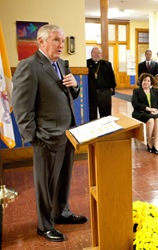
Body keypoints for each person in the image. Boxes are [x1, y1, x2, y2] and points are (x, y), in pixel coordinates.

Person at [12, 24, 87, 243]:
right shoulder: (29, 66)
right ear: (41, 42)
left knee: (64, 178)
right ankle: (44, 225)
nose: (61, 45)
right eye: (56, 40)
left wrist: (75, 86)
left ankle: (61, 212)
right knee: (45, 184)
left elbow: (67, 96)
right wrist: (34, 137)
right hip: (45, 138)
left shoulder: (61, 64)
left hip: (67, 133)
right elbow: (22, 108)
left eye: (62, 41)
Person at [132, 73, 158, 155]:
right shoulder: (137, 91)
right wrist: (148, 108)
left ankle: (156, 144)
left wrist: (157, 110)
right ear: (141, 81)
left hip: (153, 113)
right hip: (140, 113)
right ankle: (149, 142)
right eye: (144, 80)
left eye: (148, 81)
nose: (146, 82)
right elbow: (135, 104)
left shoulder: (155, 91)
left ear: (151, 82)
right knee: (151, 120)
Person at [87, 47, 117, 121]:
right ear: (91, 54)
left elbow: (112, 78)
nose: (96, 55)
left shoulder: (107, 64)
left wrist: (111, 89)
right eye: (94, 53)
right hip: (91, 94)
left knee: (106, 116)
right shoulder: (86, 63)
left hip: (104, 93)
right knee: (91, 115)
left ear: (101, 54)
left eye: (98, 53)